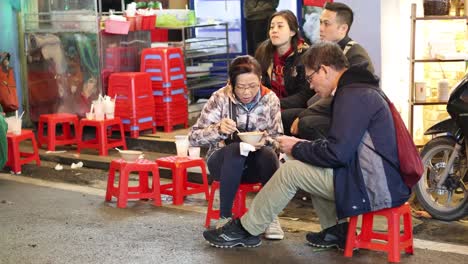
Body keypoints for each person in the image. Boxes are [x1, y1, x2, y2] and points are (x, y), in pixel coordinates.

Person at [202, 41, 411, 249]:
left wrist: (296, 147)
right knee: (310, 163)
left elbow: (337, 154)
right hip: (377, 178)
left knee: (291, 171)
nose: (310, 85)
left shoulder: (353, 96)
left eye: (311, 78)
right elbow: (341, 148)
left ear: (325, 70)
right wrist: (302, 146)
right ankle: (336, 231)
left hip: (375, 186)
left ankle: (246, 229)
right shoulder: (359, 90)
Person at [188, 55, 285, 239]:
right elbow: (193, 138)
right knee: (235, 149)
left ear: (261, 81)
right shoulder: (220, 98)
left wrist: (266, 141)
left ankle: (270, 217)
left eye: (253, 86)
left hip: (256, 166)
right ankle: (225, 218)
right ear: (230, 84)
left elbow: (278, 139)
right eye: (241, 87)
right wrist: (218, 130)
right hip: (223, 164)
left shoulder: (270, 99)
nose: (247, 92)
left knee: (268, 155)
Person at [282, 2, 374, 139]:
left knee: (306, 123)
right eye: (320, 23)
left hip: (349, 117)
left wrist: (304, 114)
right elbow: (308, 92)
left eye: (326, 24)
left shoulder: (356, 56)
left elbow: (343, 97)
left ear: (343, 28)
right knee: (283, 116)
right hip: (328, 109)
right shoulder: (326, 52)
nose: (321, 28)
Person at [255, 10, 310, 104]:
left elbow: (305, 95)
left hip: (292, 108)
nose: (274, 30)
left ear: (292, 32)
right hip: (266, 105)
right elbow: (256, 81)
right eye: (272, 27)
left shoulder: (305, 55)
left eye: (280, 26)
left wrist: (276, 103)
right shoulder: (263, 50)